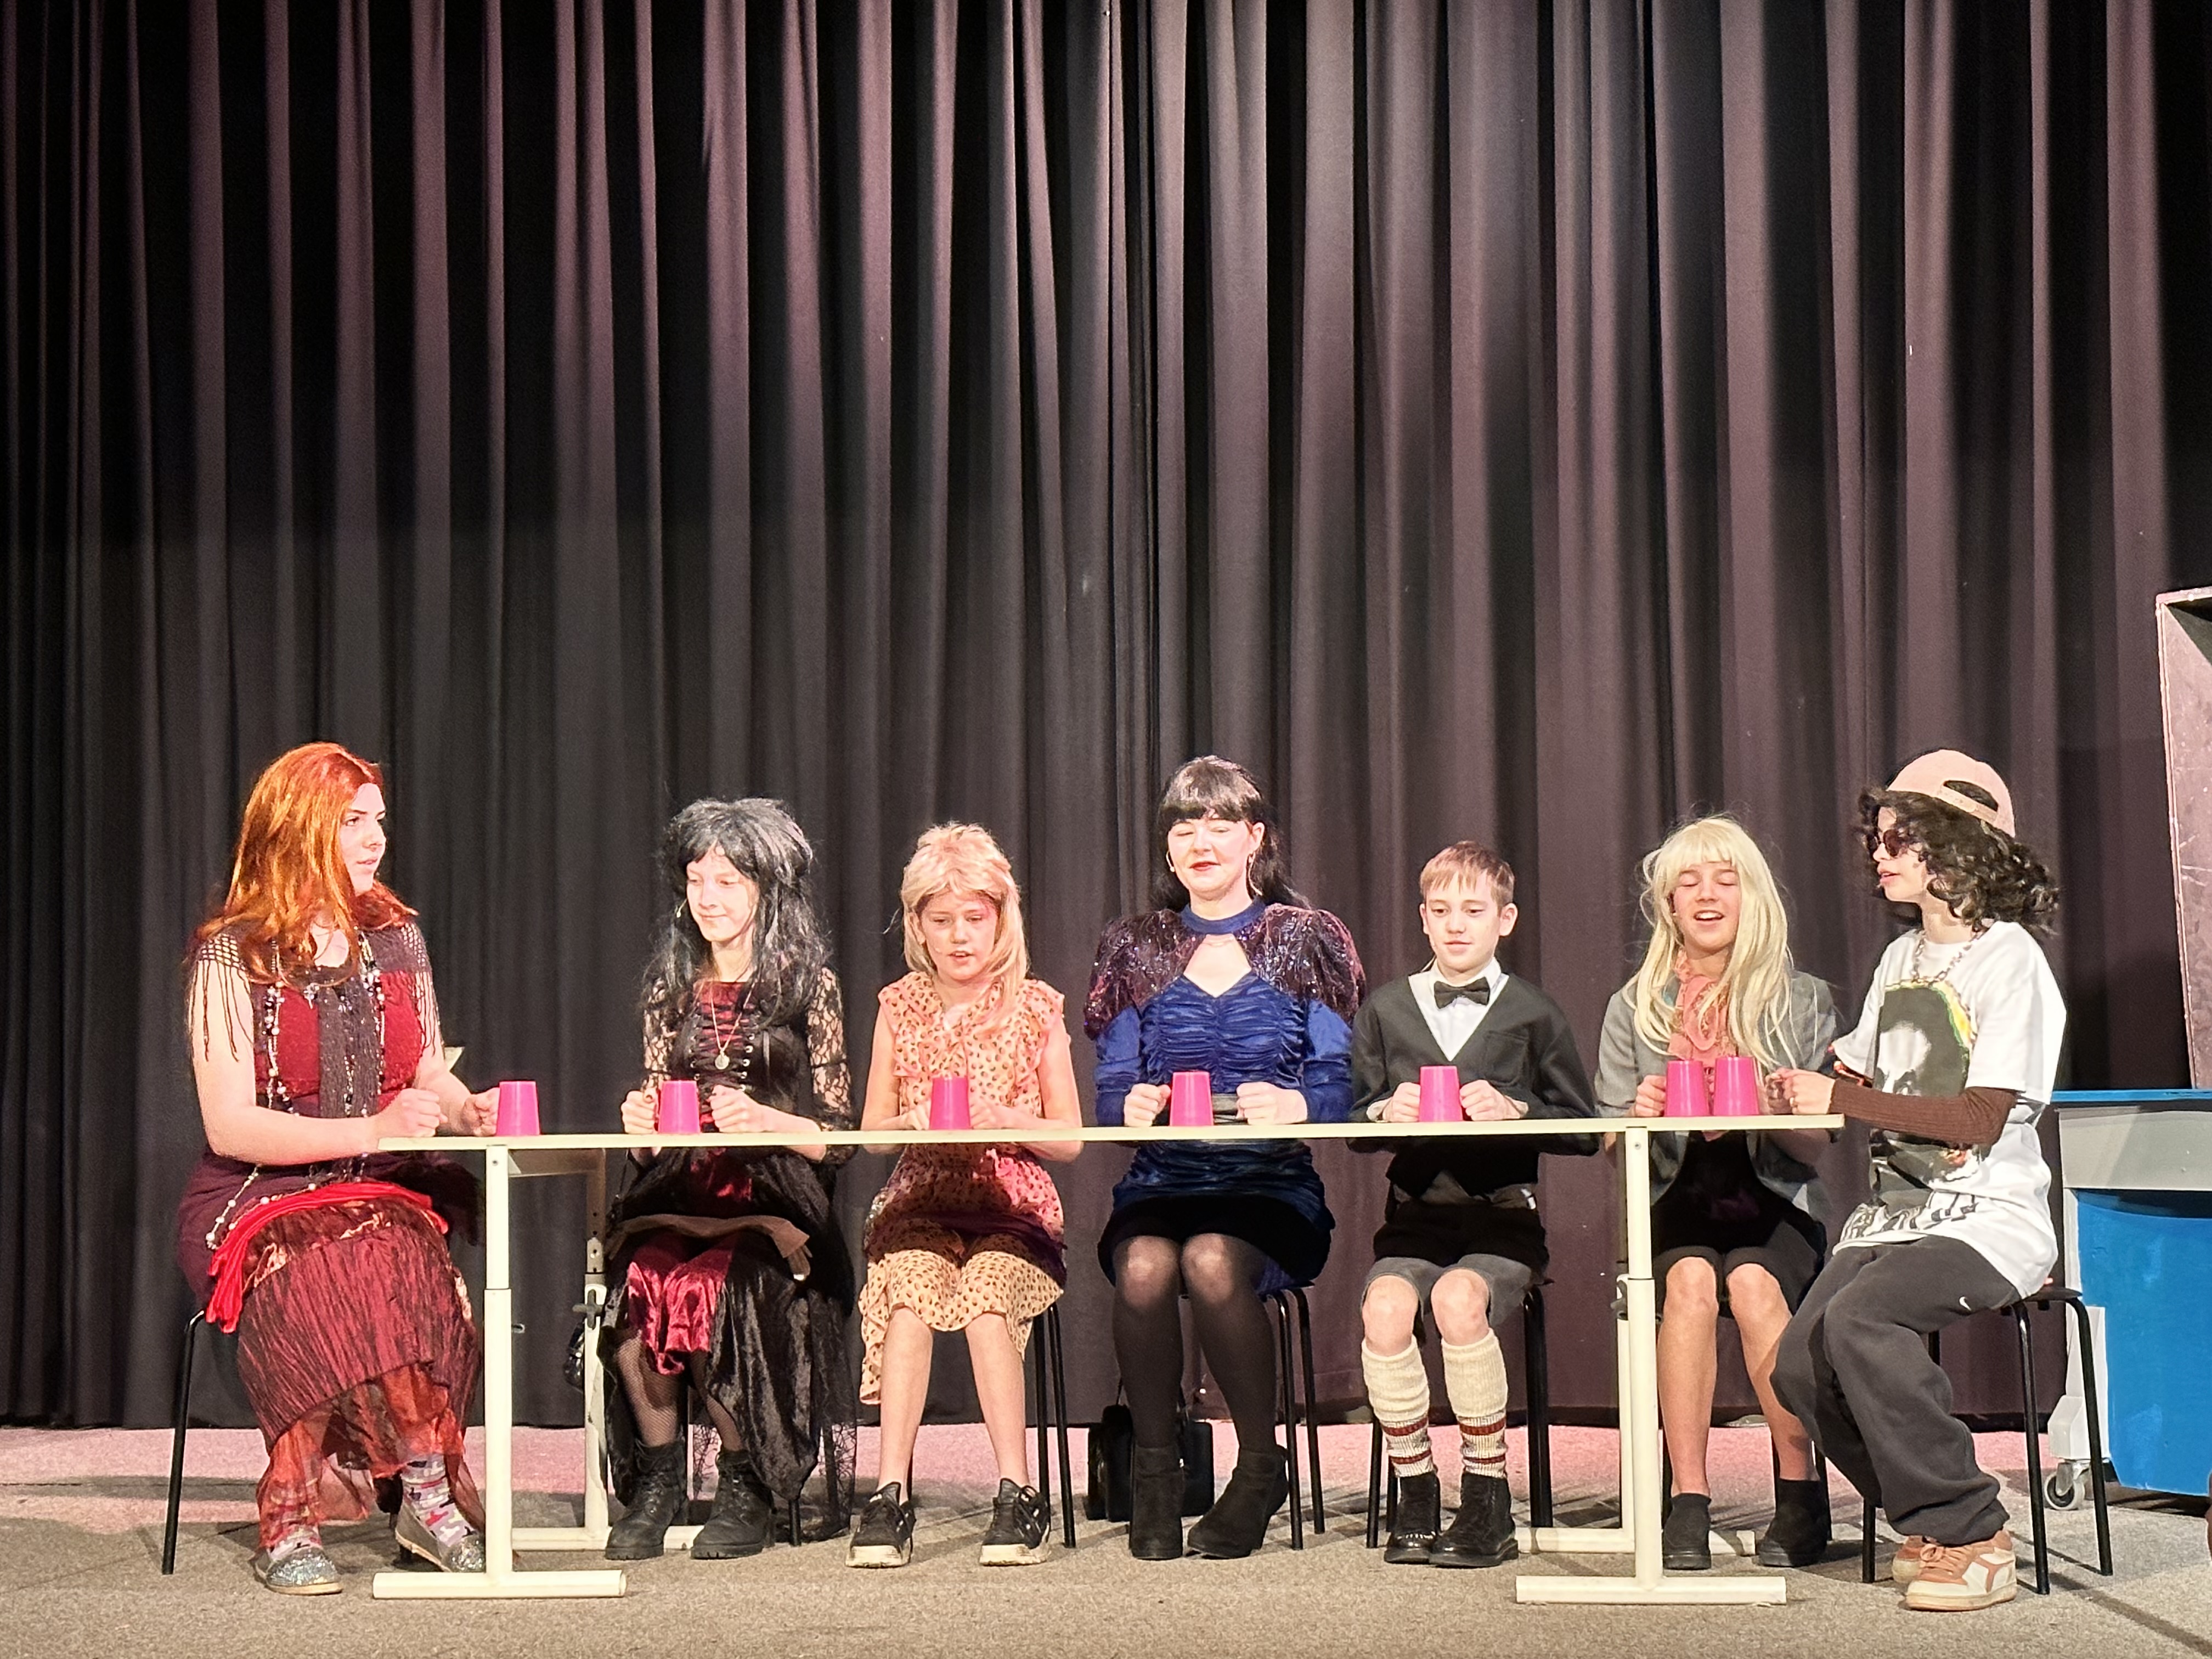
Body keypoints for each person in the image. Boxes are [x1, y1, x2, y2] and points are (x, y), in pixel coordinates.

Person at [176, 742, 493, 1594]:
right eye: (352, 822)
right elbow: (230, 1125)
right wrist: (374, 1124)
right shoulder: (232, 954)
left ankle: (425, 1495)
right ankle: (291, 1512)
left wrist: (464, 1107)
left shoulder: (396, 936)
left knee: (396, 1251)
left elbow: (426, 1066)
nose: (375, 838)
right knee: (322, 1264)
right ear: (298, 828)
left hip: (377, 1184)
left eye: (378, 820)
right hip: (262, 1190)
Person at [1771, 751, 2065, 1612]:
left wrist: (1841, 1098)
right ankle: (1928, 1520)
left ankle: (1972, 1530)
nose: (1880, 851)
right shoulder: (1901, 958)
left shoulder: (2009, 961)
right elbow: (1852, 1080)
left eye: (1902, 837)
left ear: (1960, 845)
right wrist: (1775, 1087)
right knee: (1798, 1364)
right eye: (1879, 836)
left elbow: (1979, 1118)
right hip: (1895, 1217)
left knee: (1864, 1320)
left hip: (1988, 1219)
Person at [1086, 755, 1365, 1560]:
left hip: (1267, 1184)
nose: (1200, 842)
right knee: (1144, 1266)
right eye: (1183, 828)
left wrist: (1300, 1105)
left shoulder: (1306, 938)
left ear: (1255, 838)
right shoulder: (1135, 946)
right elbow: (1111, 1094)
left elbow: (1340, 1083)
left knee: (1210, 1260)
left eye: (1218, 825)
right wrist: (1128, 1107)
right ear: (1168, 849)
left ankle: (1260, 1465)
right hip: (1165, 1178)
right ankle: (1154, 1472)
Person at [600, 799, 857, 1562]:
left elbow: (840, 1137)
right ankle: (658, 1481)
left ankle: (745, 1483)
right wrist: (641, 1130)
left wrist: (768, 1120)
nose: (707, 898)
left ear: (766, 889)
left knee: (722, 1287)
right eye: (696, 880)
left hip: (773, 1201)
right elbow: (655, 1130)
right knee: (641, 1283)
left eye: (727, 882)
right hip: (677, 1193)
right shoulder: (669, 988)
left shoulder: (808, 986)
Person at [1594, 815, 1838, 1570]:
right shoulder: (1634, 1005)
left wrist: (1777, 1107)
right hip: (1677, 1198)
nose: (1706, 896)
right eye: (1688, 883)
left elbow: (1818, 1145)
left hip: (1773, 1199)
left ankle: (1799, 1492)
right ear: (1668, 904)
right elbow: (1609, 1143)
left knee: (1756, 1284)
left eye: (1724, 880)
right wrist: (1634, 1118)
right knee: (1691, 1282)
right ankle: (1688, 1500)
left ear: (1751, 895)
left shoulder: (1801, 1000)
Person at [1353, 842, 1598, 1568]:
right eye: (1442, 911)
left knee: (1459, 1299)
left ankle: (1487, 1497)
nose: (1457, 925)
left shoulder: (1533, 1011)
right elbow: (1354, 1122)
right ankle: (1416, 1490)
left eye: (1473, 910)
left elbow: (1583, 1127)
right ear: (1423, 919)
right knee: (1385, 1308)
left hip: (1502, 1218)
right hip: (1416, 1218)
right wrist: (1382, 1111)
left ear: (1505, 919)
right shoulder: (1386, 1008)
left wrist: (1521, 1109)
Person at [846, 825, 1083, 1568]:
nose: (958, 936)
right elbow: (872, 1136)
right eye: (941, 919)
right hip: (920, 1202)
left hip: (1012, 1205)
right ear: (917, 925)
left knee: (984, 1297)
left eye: (973, 918)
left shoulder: (1036, 1007)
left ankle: (1018, 1491)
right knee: (910, 1294)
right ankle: (890, 1494)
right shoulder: (899, 1005)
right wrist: (910, 1122)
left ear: (1000, 919)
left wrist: (1007, 1118)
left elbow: (1070, 1139)